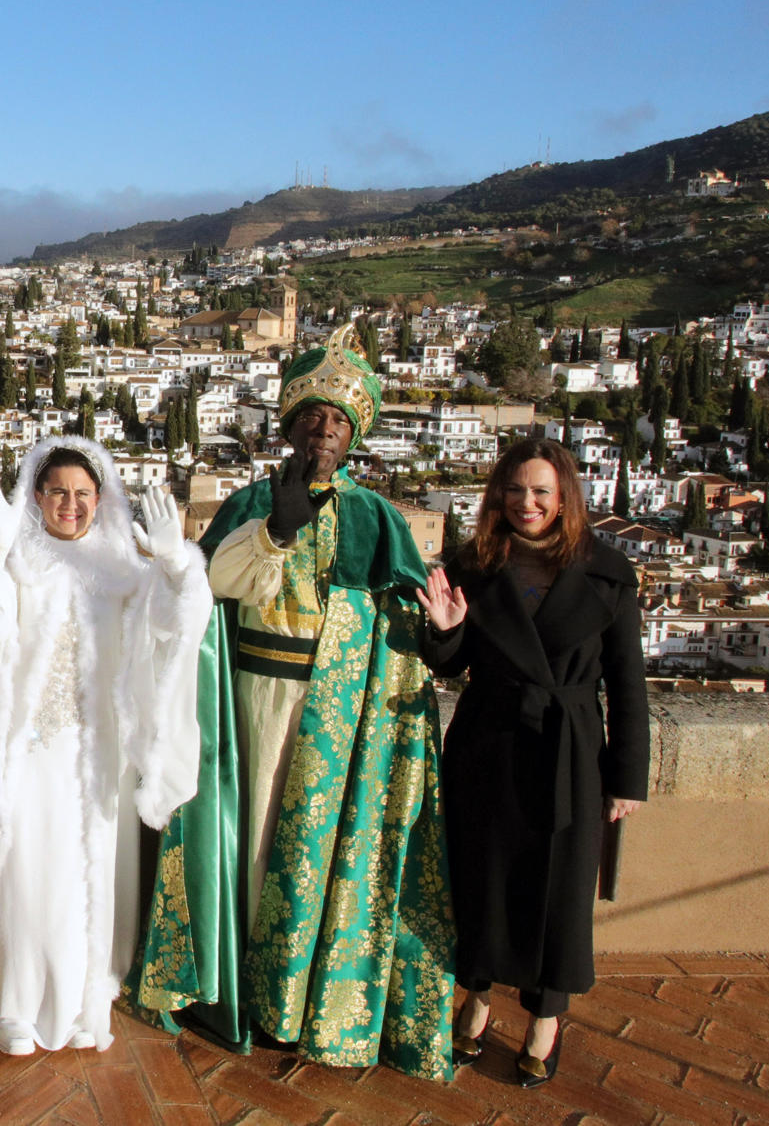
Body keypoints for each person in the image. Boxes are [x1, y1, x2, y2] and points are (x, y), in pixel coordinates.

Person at [126, 324, 454, 1079]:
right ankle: (244, 989)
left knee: (318, 851)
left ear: (354, 434)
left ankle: (300, 1000)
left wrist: (438, 633)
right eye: (312, 417)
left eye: (338, 420)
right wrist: (275, 530)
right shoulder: (250, 500)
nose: (324, 431)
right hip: (250, 698)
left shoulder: (378, 520)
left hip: (337, 713)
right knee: (251, 843)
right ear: (290, 426)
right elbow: (211, 587)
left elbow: (409, 628)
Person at [0, 437, 211, 1055]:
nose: (70, 504)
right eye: (58, 491)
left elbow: (181, 625)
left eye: (83, 493)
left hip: (96, 759)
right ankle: (15, 1005)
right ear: (37, 496)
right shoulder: (17, 563)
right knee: (22, 874)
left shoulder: (125, 573)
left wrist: (176, 562)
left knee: (85, 880)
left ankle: (83, 1004)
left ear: (101, 498)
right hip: (26, 754)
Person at [416, 438, 647, 1088]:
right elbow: (449, 664)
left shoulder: (608, 573)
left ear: (565, 496)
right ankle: (477, 999)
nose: (528, 502)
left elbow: (628, 683)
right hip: (488, 743)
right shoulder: (475, 564)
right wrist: (444, 629)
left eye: (542, 491)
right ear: (499, 495)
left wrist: (626, 778)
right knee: (483, 880)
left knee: (560, 895)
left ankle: (546, 1018)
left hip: (569, 752)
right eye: (515, 489)